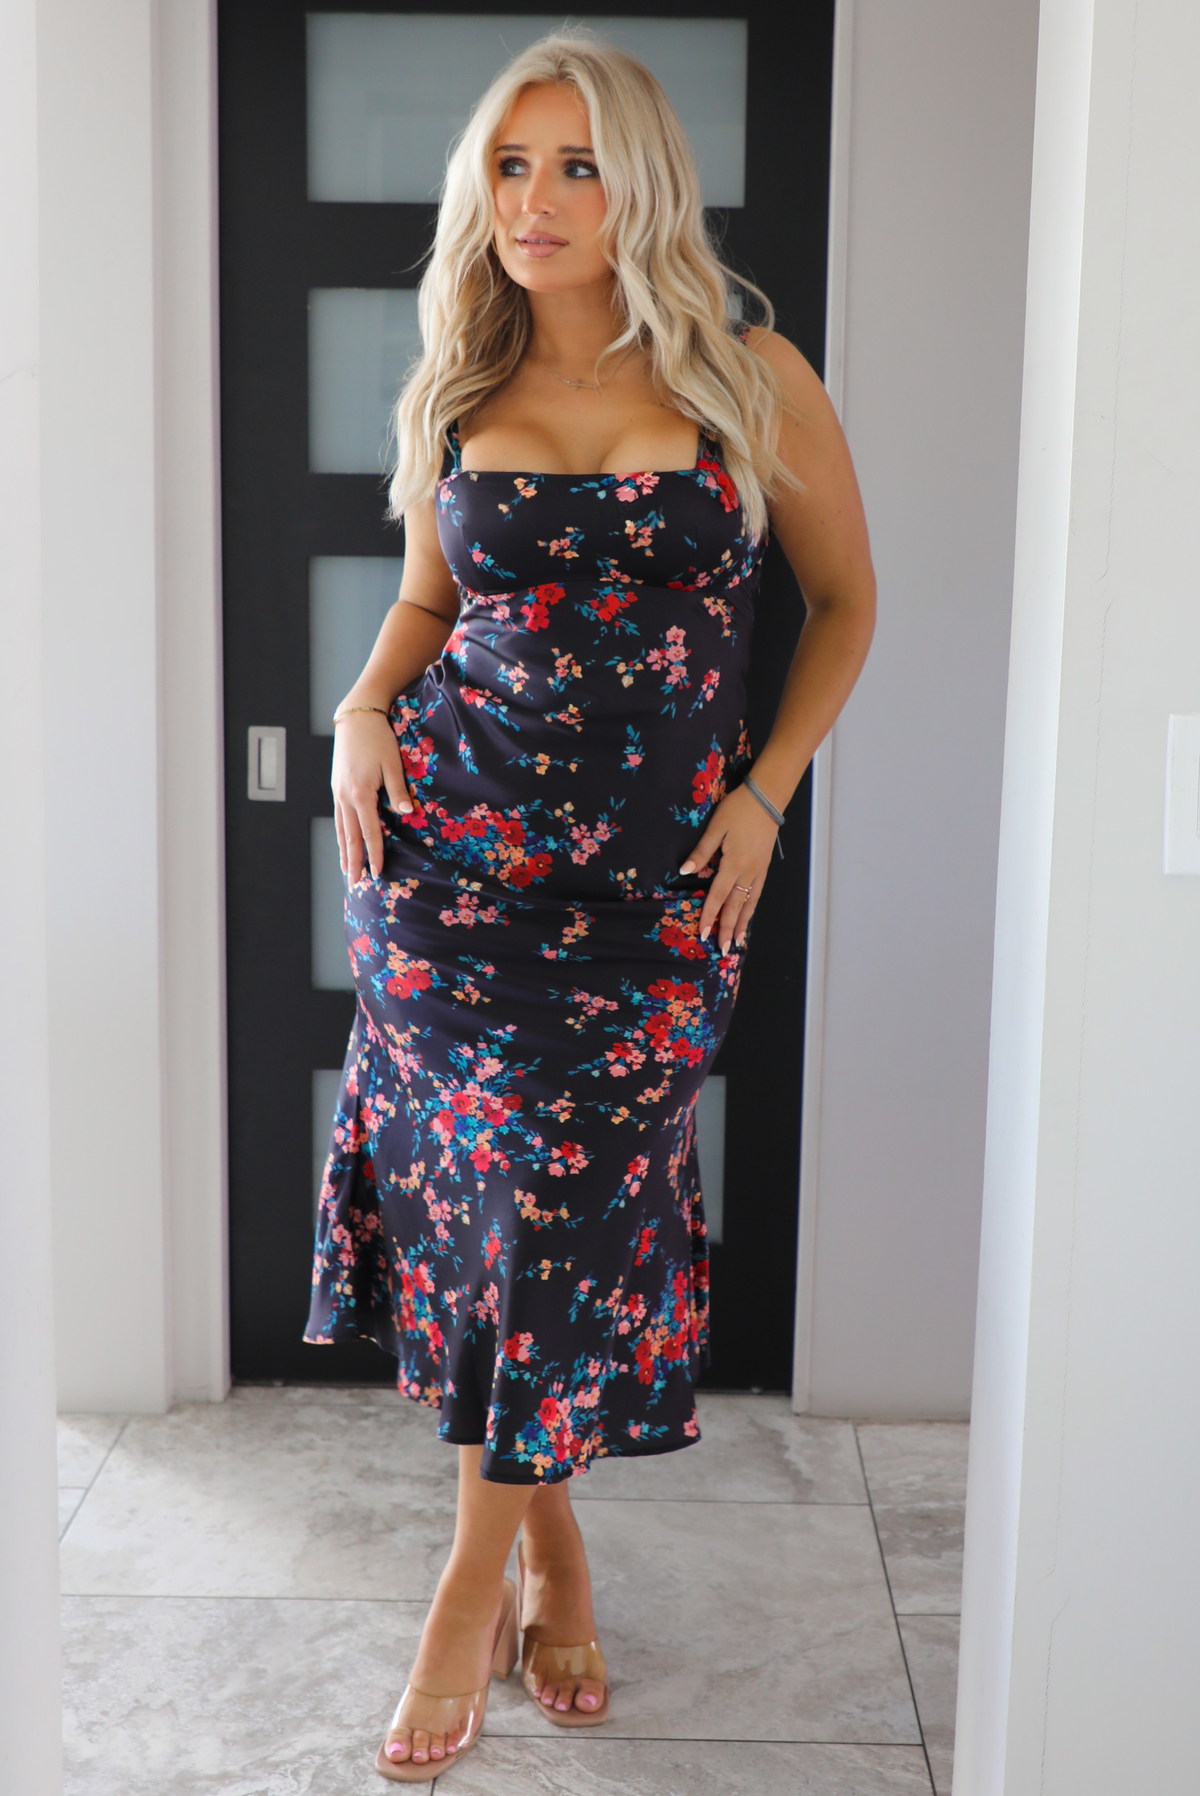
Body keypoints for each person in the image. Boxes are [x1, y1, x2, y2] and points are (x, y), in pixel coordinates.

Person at [304, 32, 875, 1783]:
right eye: (509, 165)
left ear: (644, 186)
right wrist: (361, 708)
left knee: (563, 1206)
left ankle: (480, 1576)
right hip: (446, 877)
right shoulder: (460, 378)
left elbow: (848, 602)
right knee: (494, 1223)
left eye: (576, 165)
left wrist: (766, 794)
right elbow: (427, 605)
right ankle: (526, 1562)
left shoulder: (749, 374)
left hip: (652, 897)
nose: (536, 201)